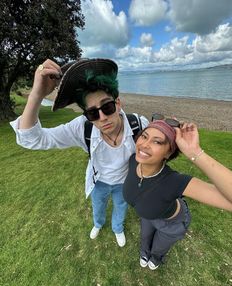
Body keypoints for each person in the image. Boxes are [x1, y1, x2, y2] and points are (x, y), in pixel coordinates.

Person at [10, 58, 148, 247]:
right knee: (98, 206)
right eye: (92, 113)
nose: (102, 118)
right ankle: (98, 224)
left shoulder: (139, 124)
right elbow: (32, 139)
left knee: (121, 207)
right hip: (98, 181)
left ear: (118, 103)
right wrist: (37, 94)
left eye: (107, 107)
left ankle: (117, 228)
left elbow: (162, 149)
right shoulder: (82, 128)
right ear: (86, 116)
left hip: (124, 182)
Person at [123, 115, 232, 269]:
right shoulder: (133, 160)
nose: (144, 145)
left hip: (172, 223)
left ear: (168, 154)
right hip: (148, 216)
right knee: (145, 237)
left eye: (157, 141)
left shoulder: (174, 181)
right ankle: (144, 252)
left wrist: (195, 152)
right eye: (144, 136)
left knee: (159, 246)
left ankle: (156, 258)